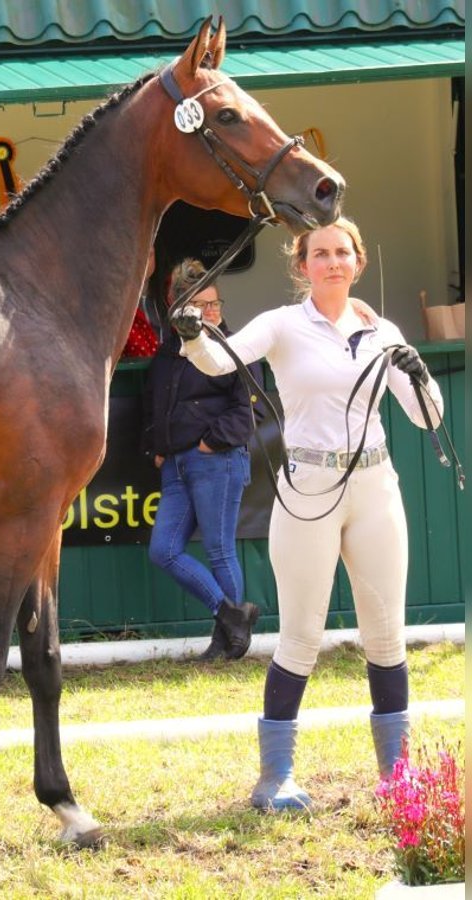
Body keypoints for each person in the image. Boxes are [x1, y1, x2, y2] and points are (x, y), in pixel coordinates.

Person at [170, 217, 444, 811]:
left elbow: (427, 417)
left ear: (359, 262)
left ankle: (396, 777)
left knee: (386, 635)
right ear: (303, 266)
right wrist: (194, 335)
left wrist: (420, 374)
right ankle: (275, 779)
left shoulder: (382, 330)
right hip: (309, 489)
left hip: (375, 485)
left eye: (342, 252)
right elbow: (221, 362)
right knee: (301, 637)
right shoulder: (281, 325)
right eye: (320, 254)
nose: (333, 262)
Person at [143, 259, 261, 661]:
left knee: (219, 549)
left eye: (215, 304)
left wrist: (211, 444)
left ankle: (227, 644)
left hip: (217, 460)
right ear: (179, 308)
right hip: (176, 465)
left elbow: (249, 412)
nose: (212, 313)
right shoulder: (167, 353)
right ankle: (232, 616)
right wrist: (160, 447)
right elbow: (155, 404)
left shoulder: (236, 347)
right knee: (164, 550)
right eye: (201, 306)